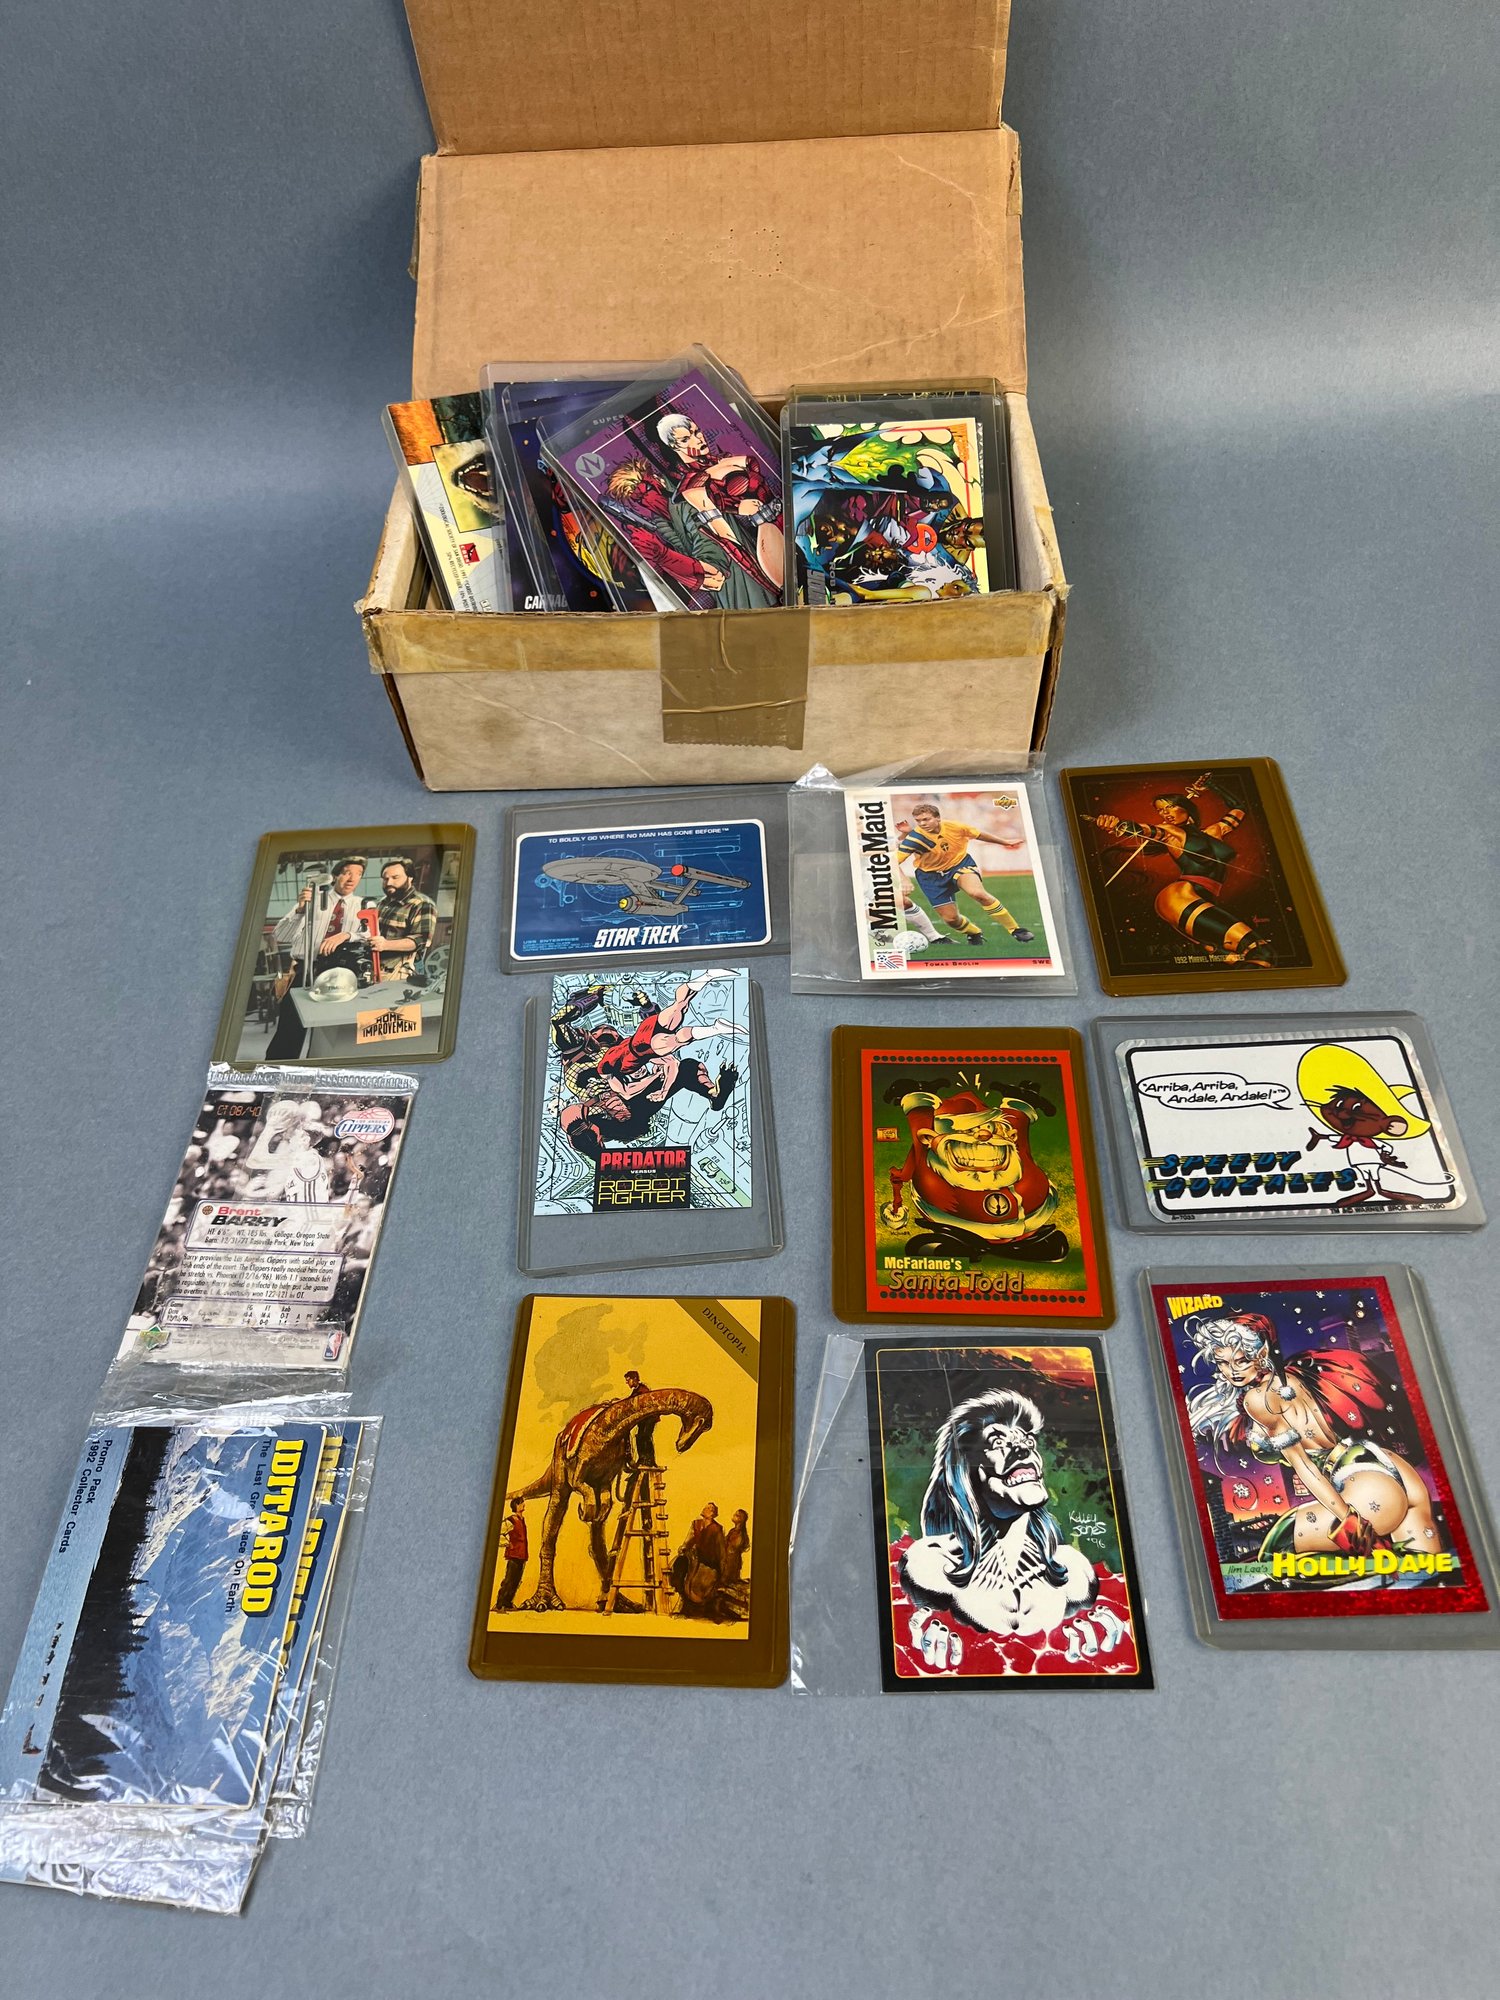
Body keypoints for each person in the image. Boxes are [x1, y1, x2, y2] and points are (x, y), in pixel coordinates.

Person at [1183, 1310, 1444, 1562]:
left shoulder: (1258, 1399)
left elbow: (1304, 1466)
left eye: (1241, 1360)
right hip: (1396, 1472)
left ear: (1261, 1353)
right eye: (1222, 1362)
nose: (1231, 1371)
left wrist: (1348, 1520)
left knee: (1276, 1551)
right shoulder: (1299, 1372)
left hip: (1360, 1484)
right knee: (1427, 1569)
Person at [657, 412, 782, 607]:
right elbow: (725, 536)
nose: (697, 439)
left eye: (696, 432)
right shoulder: (692, 486)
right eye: (685, 439)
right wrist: (737, 508)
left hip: (783, 521)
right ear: (674, 446)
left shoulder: (723, 460)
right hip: (762, 540)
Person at [265, 855, 368, 1058]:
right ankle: (277, 1069)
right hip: (306, 970)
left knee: (330, 1032)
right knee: (290, 1028)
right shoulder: (313, 899)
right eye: (347, 873)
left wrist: (347, 935)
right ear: (335, 876)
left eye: (358, 874)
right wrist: (301, 909)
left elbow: (370, 934)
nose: (352, 878)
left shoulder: (363, 905)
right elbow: (281, 936)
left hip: (340, 974)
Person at [897, 802, 1036, 950]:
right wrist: (904, 879)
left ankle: (1015, 929)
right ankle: (974, 932)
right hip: (930, 877)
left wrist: (1004, 842)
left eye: (926, 819)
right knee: (951, 919)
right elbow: (893, 862)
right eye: (918, 821)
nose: (922, 824)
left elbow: (978, 834)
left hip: (959, 865)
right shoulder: (914, 839)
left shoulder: (955, 827)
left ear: (938, 818)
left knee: (978, 893)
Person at [372, 858, 436, 977]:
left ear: (410, 878)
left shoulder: (422, 903)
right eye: (385, 879)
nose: (389, 883)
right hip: (378, 966)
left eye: (395, 877)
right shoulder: (383, 902)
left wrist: (385, 945)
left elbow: (421, 940)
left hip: (403, 970)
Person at [671, 1502, 727, 1617]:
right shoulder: (696, 1524)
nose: (707, 1509)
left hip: (708, 1562)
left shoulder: (717, 1529)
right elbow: (689, 1538)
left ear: (714, 1513)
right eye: (707, 1507)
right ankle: (682, 1598)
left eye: (710, 1508)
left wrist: (722, 1568)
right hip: (695, 1558)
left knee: (700, 1586)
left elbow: (721, 1550)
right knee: (679, 1564)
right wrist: (684, 1547)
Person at [493, 1498, 528, 1611]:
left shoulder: (522, 1519)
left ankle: (507, 1603)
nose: (523, 1504)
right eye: (521, 1503)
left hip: (521, 1554)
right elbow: (499, 1533)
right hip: (514, 1554)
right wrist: (508, 1544)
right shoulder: (511, 1520)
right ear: (516, 1506)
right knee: (509, 1580)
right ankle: (499, 1604)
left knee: (516, 1580)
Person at [621, 1370, 657, 1469]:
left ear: (635, 1379)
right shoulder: (636, 1391)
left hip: (649, 1419)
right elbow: (630, 1401)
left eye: (628, 1380)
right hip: (643, 1419)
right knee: (641, 1437)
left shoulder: (643, 1390)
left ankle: (649, 1461)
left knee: (644, 1437)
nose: (627, 1382)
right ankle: (643, 1459)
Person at [722, 1509, 750, 1587]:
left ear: (741, 1519)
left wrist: (729, 1547)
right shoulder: (732, 1530)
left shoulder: (740, 1533)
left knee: (728, 1575)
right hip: (727, 1556)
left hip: (733, 1558)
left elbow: (737, 1545)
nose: (734, 1516)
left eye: (737, 1515)